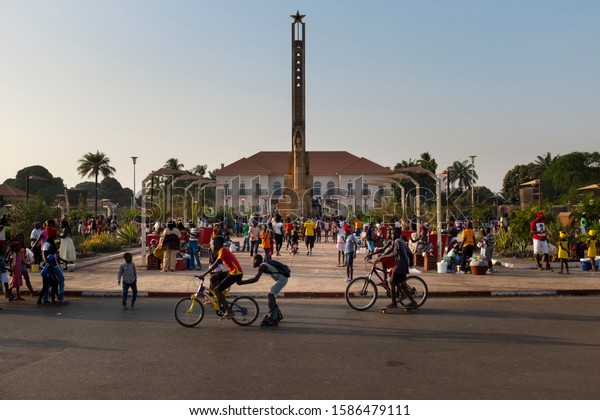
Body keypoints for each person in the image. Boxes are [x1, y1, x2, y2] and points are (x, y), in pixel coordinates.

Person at [197, 236, 243, 319]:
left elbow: (218, 262)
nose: (212, 246)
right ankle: (218, 299)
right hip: (232, 271)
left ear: (219, 244)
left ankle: (229, 311)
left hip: (236, 273)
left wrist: (204, 274)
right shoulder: (221, 250)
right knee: (213, 278)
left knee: (218, 289)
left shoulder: (222, 250)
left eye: (213, 244)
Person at [238, 254, 288, 326]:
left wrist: (242, 282)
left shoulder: (262, 266)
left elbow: (256, 279)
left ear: (256, 260)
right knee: (271, 295)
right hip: (282, 279)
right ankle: (277, 314)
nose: (252, 263)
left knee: (270, 295)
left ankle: (273, 316)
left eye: (252, 261)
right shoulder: (264, 265)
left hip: (282, 279)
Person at [375, 227, 414, 308]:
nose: (392, 235)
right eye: (391, 234)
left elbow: (395, 253)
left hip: (400, 266)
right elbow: (409, 253)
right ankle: (413, 302)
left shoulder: (397, 241)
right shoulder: (401, 242)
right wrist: (410, 262)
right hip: (403, 266)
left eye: (393, 234)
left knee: (391, 282)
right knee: (402, 284)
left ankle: (394, 303)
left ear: (398, 234)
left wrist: (383, 257)